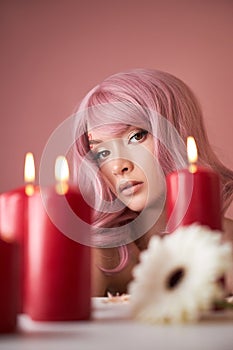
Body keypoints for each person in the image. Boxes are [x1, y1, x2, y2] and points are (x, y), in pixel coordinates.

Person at [72, 68, 233, 297]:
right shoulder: (102, 257)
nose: (119, 167)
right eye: (102, 152)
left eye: (136, 136)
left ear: (178, 132)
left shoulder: (227, 245)